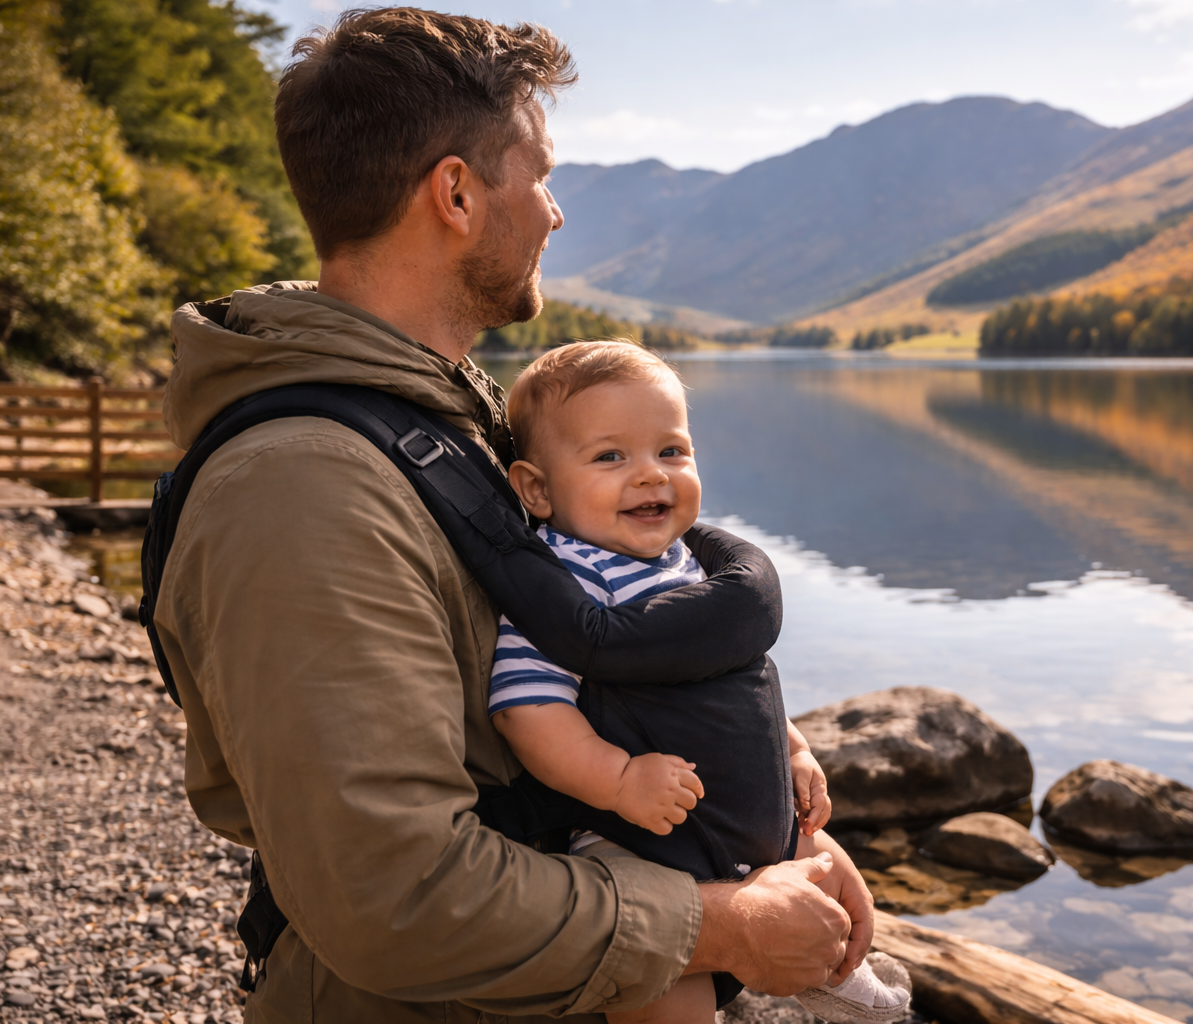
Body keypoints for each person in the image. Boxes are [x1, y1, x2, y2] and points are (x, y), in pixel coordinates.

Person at [154, 8, 873, 1023]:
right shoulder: (302, 491)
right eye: (538, 173)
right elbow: (397, 896)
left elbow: (573, 630)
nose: (555, 212)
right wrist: (727, 922)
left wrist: (763, 761)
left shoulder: (440, 419)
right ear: (455, 193)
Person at [488, 341, 912, 1024]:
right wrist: (618, 780)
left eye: (672, 452)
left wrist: (794, 750)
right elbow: (527, 710)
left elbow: (733, 677)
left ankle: (827, 963)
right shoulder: (564, 585)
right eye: (610, 457)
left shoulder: (685, 564)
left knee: (823, 861)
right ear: (537, 489)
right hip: (638, 836)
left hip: (727, 807)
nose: (650, 476)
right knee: (665, 988)